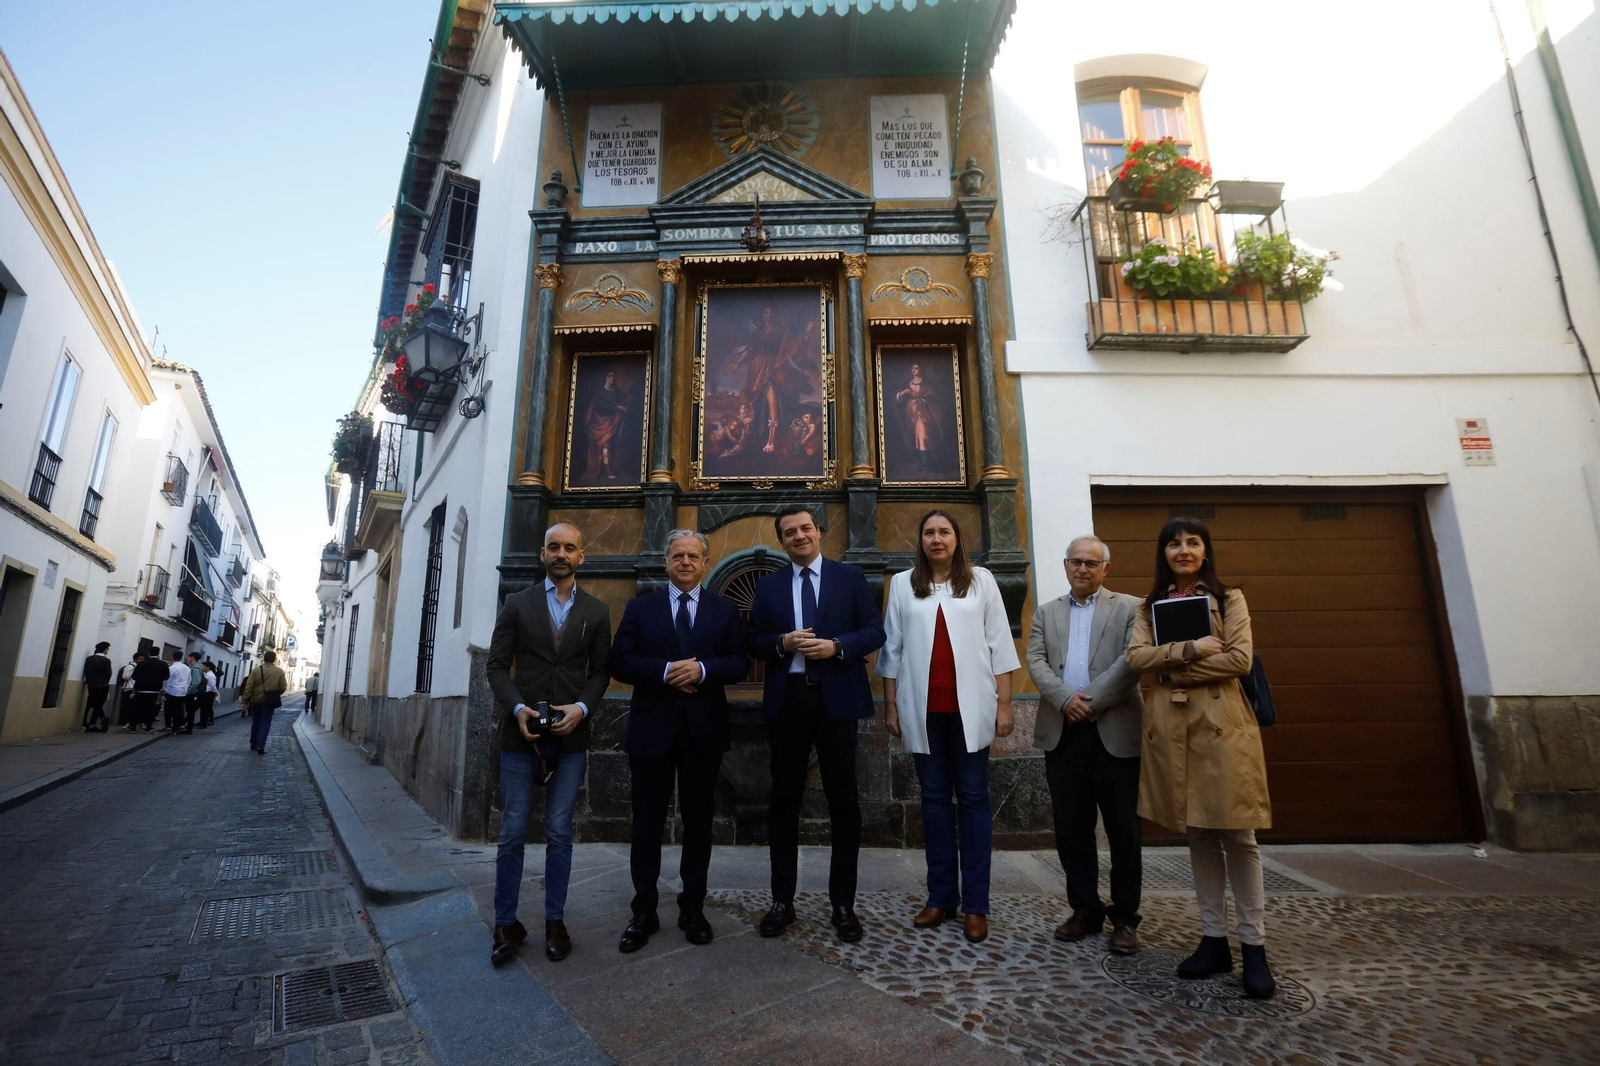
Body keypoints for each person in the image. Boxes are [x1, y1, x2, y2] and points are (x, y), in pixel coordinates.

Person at [1125, 517, 1275, 999]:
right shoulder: (1149, 605)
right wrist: (1190, 648)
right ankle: (1214, 941)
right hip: (1173, 729)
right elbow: (1135, 659)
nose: (1183, 550)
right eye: (1174, 543)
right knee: (1198, 833)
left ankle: (1254, 946)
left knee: (1239, 834)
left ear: (1206, 552)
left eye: (1193, 542)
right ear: (1163, 553)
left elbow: (1239, 660)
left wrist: (1171, 665)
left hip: (1222, 725)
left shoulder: (1231, 599)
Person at [877, 510, 1019, 944]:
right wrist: (890, 706)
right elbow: (892, 648)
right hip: (923, 711)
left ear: (957, 539)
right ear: (919, 540)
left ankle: (976, 904)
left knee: (974, 801)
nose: (936, 539)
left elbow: (1000, 642)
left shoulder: (982, 581)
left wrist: (1006, 703)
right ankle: (940, 896)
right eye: (928, 533)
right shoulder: (903, 584)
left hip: (970, 710)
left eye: (944, 532)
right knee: (935, 802)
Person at [747, 504, 886, 943]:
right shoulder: (768, 587)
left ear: (819, 532)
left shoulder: (850, 578)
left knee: (843, 802)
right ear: (782, 541)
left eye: (805, 528)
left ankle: (843, 904)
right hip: (788, 703)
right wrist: (781, 643)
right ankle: (781, 901)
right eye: (789, 532)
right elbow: (751, 641)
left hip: (837, 701)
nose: (799, 536)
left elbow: (874, 631)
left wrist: (838, 646)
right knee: (783, 803)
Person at [607, 530, 748, 953]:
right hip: (652, 731)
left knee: (699, 824)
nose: (685, 562)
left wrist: (702, 670)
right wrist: (666, 670)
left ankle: (693, 908)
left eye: (693, 556)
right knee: (646, 824)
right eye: (677, 556)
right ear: (666, 562)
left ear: (705, 563)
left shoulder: (725, 610)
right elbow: (620, 661)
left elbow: (739, 662)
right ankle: (643, 911)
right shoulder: (641, 607)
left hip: (702, 731)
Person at [485, 521, 611, 966]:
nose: (561, 554)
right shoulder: (517, 604)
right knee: (512, 831)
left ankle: (554, 920)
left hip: (571, 736)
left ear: (582, 558)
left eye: (570, 548)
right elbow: (498, 667)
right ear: (542, 555)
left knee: (559, 831)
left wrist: (582, 707)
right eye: (554, 547)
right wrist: (518, 709)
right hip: (520, 736)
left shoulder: (596, 612)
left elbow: (599, 672)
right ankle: (505, 923)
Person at [1027, 535, 1146, 954]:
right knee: (1072, 829)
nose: (1083, 569)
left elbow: (1131, 661)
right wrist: (1064, 699)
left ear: (1105, 568)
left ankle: (1126, 919)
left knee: (1123, 831)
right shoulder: (1046, 612)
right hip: (1063, 732)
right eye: (1076, 561)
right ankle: (1084, 910)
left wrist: (1088, 703)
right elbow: (1036, 662)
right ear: (1064, 565)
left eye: (1092, 563)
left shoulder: (1132, 607)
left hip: (1113, 731)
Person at [894, 362, 945, 472]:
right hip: (910, 412)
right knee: (916, 436)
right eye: (912, 368)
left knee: (922, 434)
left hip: (924, 411)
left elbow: (934, 397)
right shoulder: (908, 383)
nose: (914, 370)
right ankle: (925, 461)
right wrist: (903, 392)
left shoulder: (926, 382)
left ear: (920, 370)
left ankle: (925, 463)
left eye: (916, 368)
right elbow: (897, 399)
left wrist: (924, 400)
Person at [240, 650, 288, 754]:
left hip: (256, 701)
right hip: (269, 701)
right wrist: (275, 693)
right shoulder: (279, 671)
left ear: (264, 658)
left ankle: (253, 743)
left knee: (256, 722)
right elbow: (283, 687)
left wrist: (244, 701)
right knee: (266, 722)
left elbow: (249, 687)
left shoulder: (256, 670)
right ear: (274, 659)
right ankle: (260, 744)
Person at [129, 651, 167, 732]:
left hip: (141, 690)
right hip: (154, 690)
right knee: (150, 709)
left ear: (149, 654)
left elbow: (134, 676)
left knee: (137, 709)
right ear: (158, 654)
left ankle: (133, 728)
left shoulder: (141, 664)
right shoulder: (163, 664)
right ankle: (148, 728)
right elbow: (166, 676)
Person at [81, 641, 114, 732]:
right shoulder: (106, 661)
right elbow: (109, 673)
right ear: (105, 649)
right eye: (107, 649)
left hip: (91, 685)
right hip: (102, 685)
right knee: (98, 704)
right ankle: (98, 721)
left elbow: (86, 671)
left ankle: (90, 723)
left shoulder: (89, 659)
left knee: (92, 703)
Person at [162, 650, 190, 732]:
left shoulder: (171, 668)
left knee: (168, 710)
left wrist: (164, 690)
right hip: (182, 692)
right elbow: (189, 680)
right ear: (181, 658)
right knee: (179, 709)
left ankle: (168, 726)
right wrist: (185, 689)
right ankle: (179, 724)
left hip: (172, 691)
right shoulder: (187, 668)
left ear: (172, 657)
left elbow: (167, 680)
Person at [114, 652, 140, 728]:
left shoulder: (139, 667)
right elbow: (126, 677)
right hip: (128, 688)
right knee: (126, 706)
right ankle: (124, 721)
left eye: (142, 659)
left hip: (135, 689)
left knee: (132, 707)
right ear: (135, 659)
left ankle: (129, 722)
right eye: (140, 658)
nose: (141, 660)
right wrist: (134, 671)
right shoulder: (130, 667)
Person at [199, 661, 219, 728]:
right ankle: (203, 723)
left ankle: (203, 724)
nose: (203, 668)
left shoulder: (210, 675)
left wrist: (215, 692)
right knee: (204, 709)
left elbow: (212, 685)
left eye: (204, 666)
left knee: (205, 709)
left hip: (208, 693)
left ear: (208, 667)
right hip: (205, 693)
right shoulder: (206, 674)